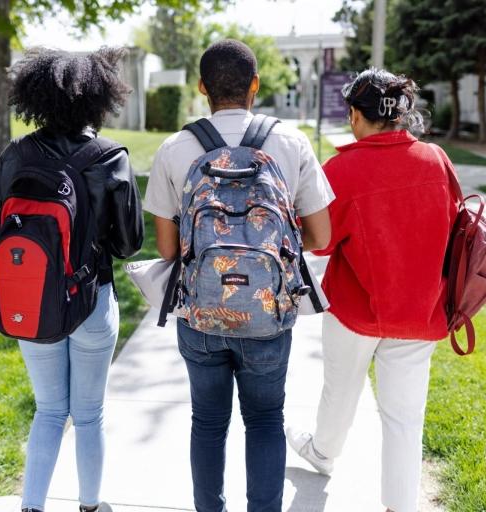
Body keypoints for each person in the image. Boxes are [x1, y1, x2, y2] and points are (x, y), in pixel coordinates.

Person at [144, 39, 334, 512]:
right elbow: (320, 235)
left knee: (207, 422)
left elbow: (168, 249)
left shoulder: (174, 148)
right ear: (255, 85)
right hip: (268, 314)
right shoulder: (290, 143)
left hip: (200, 313)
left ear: (202, 87)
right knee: (266, 420)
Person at [286, 68, 458, 512]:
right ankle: (399, 506)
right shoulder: (436, 159)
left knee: (339, 391)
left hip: (355, 307)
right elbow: (454, 220)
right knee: (404, 419)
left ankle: (322, 453)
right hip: (419, 310)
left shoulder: (342, 169)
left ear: (355, 116)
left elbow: (319, 239)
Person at [0, 47, 144, 512]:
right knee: (89, 415)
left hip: (32, 298)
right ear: (99, 98)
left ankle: (32, 506)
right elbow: (129, 243)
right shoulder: (110, 156)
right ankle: (91, 505)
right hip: (92, 300)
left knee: (49, 411)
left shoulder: (15, 155)